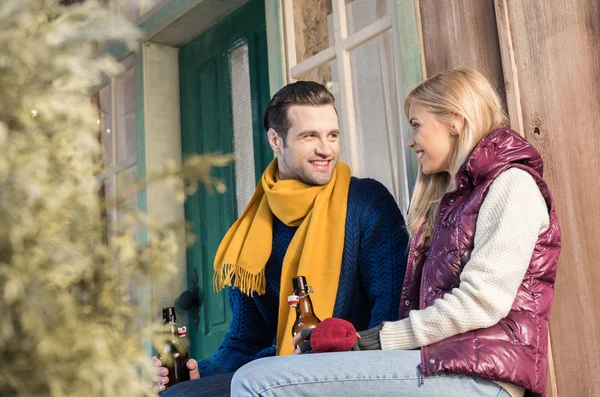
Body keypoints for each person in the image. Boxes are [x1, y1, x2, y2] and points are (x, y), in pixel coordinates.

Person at [231, 67, 561, 397]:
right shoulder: (455, 201)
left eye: (417, 125)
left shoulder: (512, 185)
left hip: (483, 377)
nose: (411, 140)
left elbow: (481, 302)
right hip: (444, 364)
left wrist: (377, 339)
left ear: (455, 123)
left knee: (256, 381)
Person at [153, 81, 409, 396]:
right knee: (174, 393)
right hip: (279, 374)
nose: (326, 149)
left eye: (332, 135)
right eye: (309, 136)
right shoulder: (252, 230)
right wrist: (199, 372)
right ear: (276, 140)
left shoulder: (366, 203)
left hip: (353, 369)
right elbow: (246, 339)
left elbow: (391, 311)